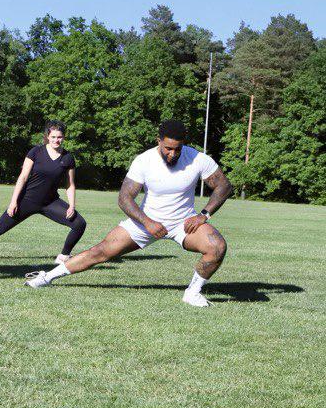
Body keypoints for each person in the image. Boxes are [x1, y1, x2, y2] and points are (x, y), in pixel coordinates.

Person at [25, 120, 234, 308]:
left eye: (177, 149)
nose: (173, 154)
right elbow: (124, 198)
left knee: (217, 246)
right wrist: (148, 222)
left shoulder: (197, 158)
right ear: (158, 141)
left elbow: (223, 186)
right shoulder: (144, 161)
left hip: (183, 223)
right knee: (100, 252)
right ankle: (46, 277)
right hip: (144, 222)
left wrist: (204, 215)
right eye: (168, 148)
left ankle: (192, 293)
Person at [0, 120, 86, 264]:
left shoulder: (68, 158)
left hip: (50, 202)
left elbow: (70, 184)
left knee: (79, 224)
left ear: (64, 137)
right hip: (26, 200)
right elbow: (23, 177)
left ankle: (63, 256)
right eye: (53, 137)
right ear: (47, 137)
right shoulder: (36, 152)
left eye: (60, 137)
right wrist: (13, 201)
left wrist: (72, 205)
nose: (57, 140)